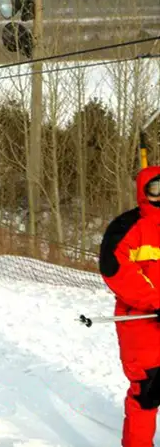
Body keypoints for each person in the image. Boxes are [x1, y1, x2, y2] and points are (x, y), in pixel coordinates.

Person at [100, 166, 160, 447]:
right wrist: (155, 301)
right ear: (143, 191)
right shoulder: (127, 227)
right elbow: (115, 270)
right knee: (147, 393)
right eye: (156, 189)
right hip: (141, 323)